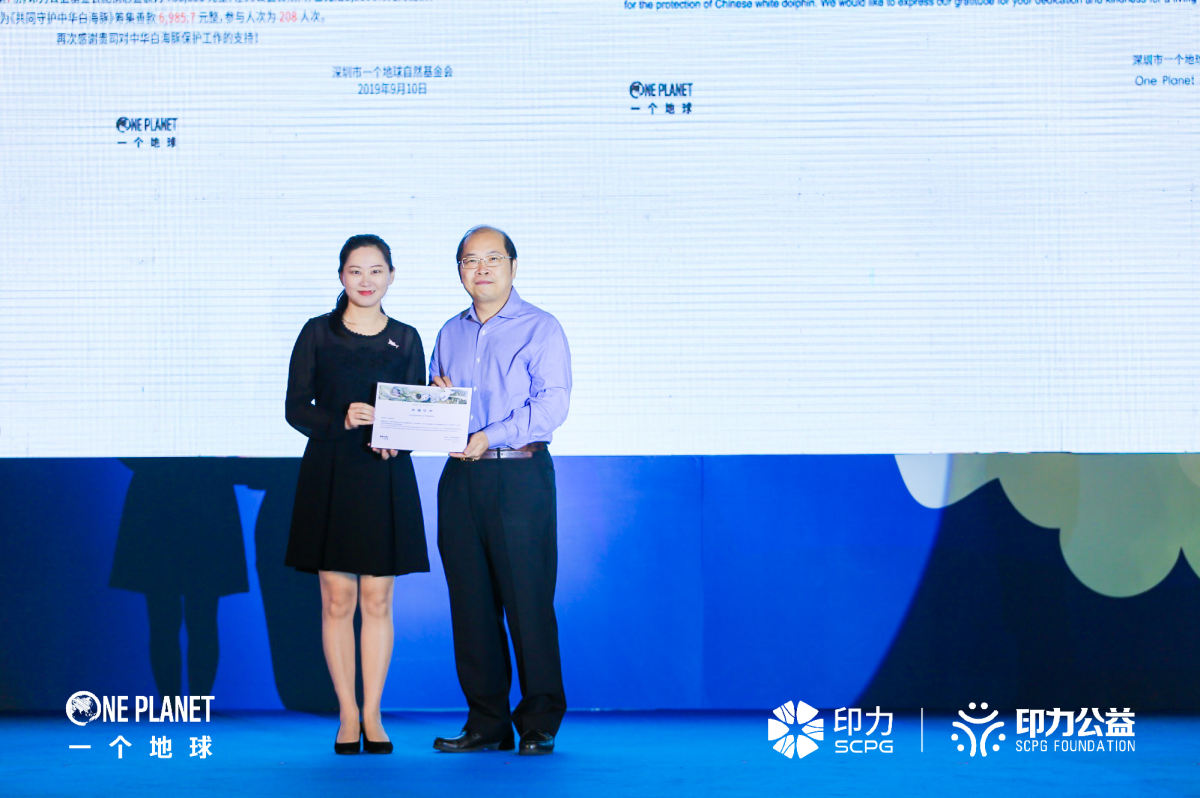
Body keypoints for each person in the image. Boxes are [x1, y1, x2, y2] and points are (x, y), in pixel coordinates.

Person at [284, 234, 429, 755]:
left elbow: (416, 415)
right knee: (338, 599)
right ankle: (348, 713)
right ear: (341, 276)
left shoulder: (407, 338)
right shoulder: (317, 333)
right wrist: (339, 418)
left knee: (378, 598)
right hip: (330, 472)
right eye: (355, 271)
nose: (366, 281)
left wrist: (400, 440)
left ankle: (373, 714)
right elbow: (295, 408)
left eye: (376, 270)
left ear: (391, 275)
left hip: (384, 476)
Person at [429, 225, 571, 756]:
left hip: (518, 474)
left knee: (528, 601)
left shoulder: (541, 328)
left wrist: (490, 435)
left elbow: (551, 405)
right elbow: (438, 404)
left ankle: (539, 720)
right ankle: (486, 722)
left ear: (513, 266)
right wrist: (434, 403)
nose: (482, 268)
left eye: (493, 258)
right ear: (460, 271)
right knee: (470, 605)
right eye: (470, 260)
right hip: (460, 480)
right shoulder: (449, 332)